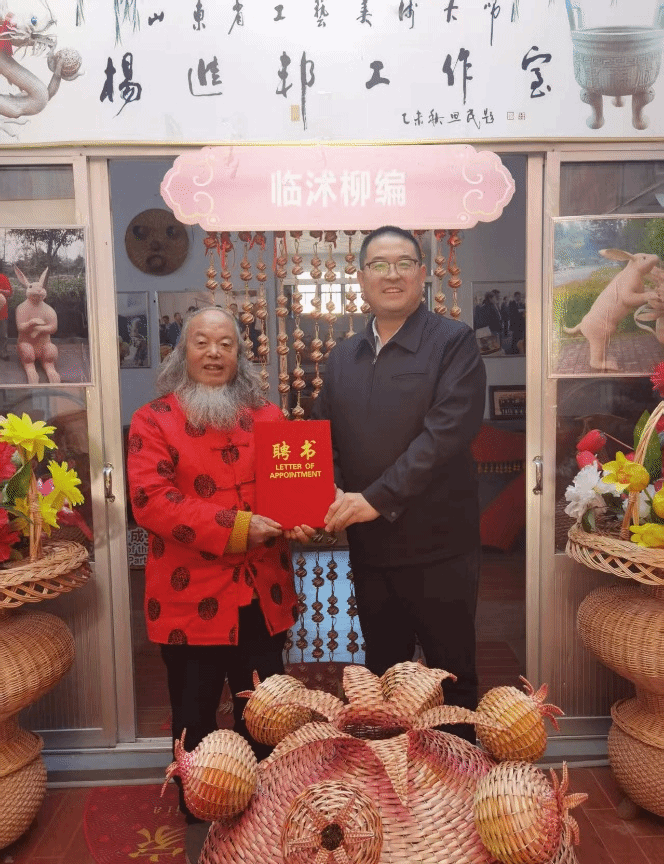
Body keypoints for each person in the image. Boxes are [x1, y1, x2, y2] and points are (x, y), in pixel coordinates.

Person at [126, 307, 301, 863]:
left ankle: (265, 816)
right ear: (183, 352)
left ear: (240, 354)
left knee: (266, 712)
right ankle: (201, 820)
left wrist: (304, 513)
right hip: (189, 600)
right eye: (201, 342)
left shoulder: (267, 415)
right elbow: (152, 502)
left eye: (226, 343)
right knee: (195, 716)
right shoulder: (153, 420)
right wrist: (239, 527)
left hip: (261, 595)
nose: (214, 353)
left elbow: (294, 485)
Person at [312, 226, 486, 742]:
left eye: (404, 263)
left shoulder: (453, 342)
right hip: (372, 549)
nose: (392, 275)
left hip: (441, 549)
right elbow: (324, 439)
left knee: (451, 676)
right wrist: (327, 493)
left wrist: (375, 498)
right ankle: (392, 780)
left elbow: (445, 435)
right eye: (379, 265)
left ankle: (456, 778)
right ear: (361, 277)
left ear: (423, 273)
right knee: (383, 680)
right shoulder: (342, 357)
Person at [0, 265, 12, 360]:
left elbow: (9, 292)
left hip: (2, 312)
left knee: (3, 335)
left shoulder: (3, 278)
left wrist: (0, 290)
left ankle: (3, 352)